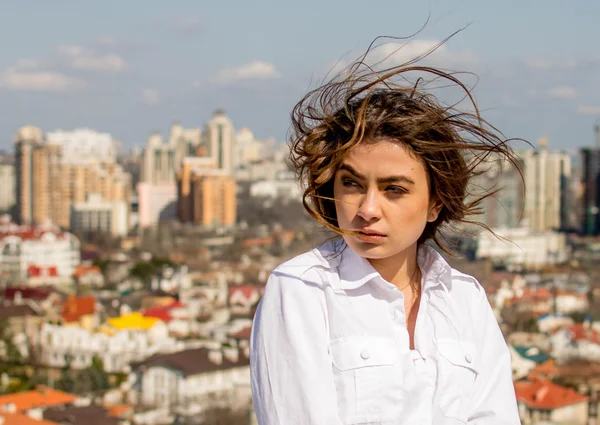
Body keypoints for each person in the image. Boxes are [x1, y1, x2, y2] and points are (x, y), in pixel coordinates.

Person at [250, 37, 522, 425]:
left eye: (394, 190)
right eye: (352, 184)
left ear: (435, 203)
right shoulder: (302, 290)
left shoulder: (465, 300)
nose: (367, 210)